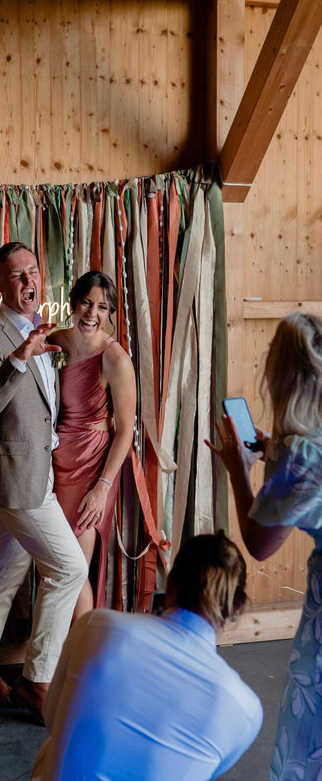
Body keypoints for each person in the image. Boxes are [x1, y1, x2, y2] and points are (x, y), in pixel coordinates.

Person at [0, 241, 88, 724]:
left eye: (33, 270)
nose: (28, 280)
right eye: (16, 275)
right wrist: (20, 357)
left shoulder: (41, 328)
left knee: (3, 574)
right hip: (15, 479)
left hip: (35, 471)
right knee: (69, 569)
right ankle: (37, 681)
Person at [30, 530, 263, 781]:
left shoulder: (96, 626)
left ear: (170, 583)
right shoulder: (246, 709)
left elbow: (53, 719)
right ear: (236, 608)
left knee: (52, 747)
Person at [206, 312, 322, 781]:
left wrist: (238, 470)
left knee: (310, 733)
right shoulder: (301, 449)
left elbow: (257, 543)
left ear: (282, 375)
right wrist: (275, 453)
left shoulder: (299, 458)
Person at [49, 271, 136, 617]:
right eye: (86, 303)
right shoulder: (55, 341)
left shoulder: (115, 359)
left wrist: (103, 487)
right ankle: (61, 645)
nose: (92, 314)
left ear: (110, 313)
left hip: (91, 467)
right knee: (54, 568)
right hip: (54, 463)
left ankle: (83, 646)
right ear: (73, 303)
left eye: (102, 307)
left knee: (74, 571)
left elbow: (125, 431)